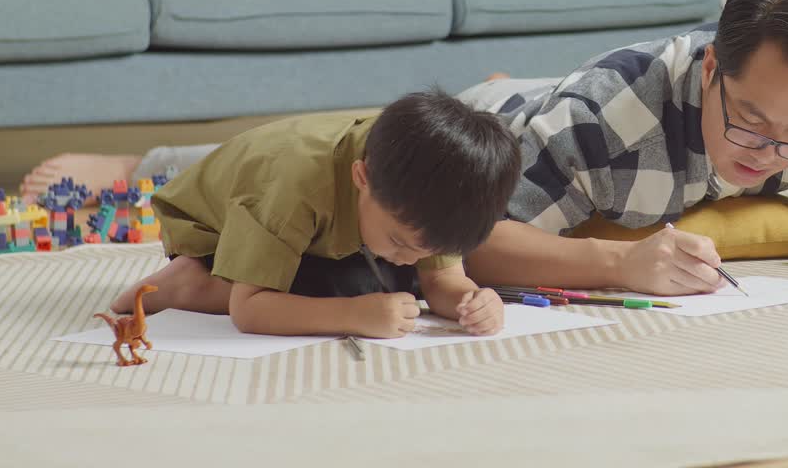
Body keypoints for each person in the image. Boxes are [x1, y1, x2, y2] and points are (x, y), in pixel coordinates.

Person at [26, 0, 788, 298]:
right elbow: (466, 242)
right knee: (331, 158)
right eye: (751, 128)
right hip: (489, 127)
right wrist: (618, 265)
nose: (770, 153)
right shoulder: (606, 122)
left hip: (529, 103)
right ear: (708, 73)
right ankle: (139, 163)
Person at [105, 91, 522, 338]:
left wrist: (472, 301)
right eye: (400, 241)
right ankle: (192, 283)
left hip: (329, 232)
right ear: (362, 177)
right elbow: (249, 311)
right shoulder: (294, 184)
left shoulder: (430, 185)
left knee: (400, 280)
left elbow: (440, 280)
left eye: (427, 248)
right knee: (355, 287)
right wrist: (354, 317)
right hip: (216, 229)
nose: (413, 257)